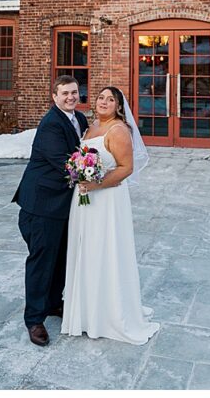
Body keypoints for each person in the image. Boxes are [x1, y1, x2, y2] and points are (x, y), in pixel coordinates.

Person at [61, 85, 155, 344]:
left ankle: (108, 312)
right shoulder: (90, 127)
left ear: (118, 106)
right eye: (101, 97)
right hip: (84, 199)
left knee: (106, 249)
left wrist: (96, 184)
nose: (104, 102)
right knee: (87, 249)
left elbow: (126, 167)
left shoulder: (118, 130)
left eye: (110, 99)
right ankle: (85, 310)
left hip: (107, 200)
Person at [13, 78, 87, 346]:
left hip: (64, 204)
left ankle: (54, 302)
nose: (71, 97)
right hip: (42, 205)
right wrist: (100, 176)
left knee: (61, 258)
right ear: (54, 96)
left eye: (74, 92)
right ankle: (34, 319)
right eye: (65, 93)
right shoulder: (51, 124)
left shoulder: (79, 119)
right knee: (42, 262)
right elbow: (65, 163)